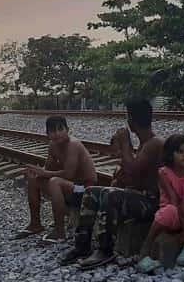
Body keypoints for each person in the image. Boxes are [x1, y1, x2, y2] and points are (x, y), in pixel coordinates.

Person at [60, 98, 164, 269]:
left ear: (131, 121)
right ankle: (82, 244)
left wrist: (124, 143)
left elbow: (133, 170)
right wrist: (121, 177)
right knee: (91, 191)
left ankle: (105, 249)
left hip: (152, 204)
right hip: (140, 197)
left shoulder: (155, 143)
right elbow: (135, 178)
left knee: (111, 195)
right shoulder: (145, 144)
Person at [13, 116, 97, 243]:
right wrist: (35, 173)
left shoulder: (73, 145)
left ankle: (60, 232)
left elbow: (68, 174)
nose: (57, 133)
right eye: (52, 130)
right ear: (47, 134)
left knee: (54, 182)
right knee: (33, 179)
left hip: (86, 189)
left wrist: (44, 172)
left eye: (60, 129)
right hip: (71, 186)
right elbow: (48, 168)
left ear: (67, 130)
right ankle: (35, 224)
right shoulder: (53, 146)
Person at [136, 134, 184, 273]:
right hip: (174, 215)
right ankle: (144, 251)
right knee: (167, 211)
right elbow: (174, 202)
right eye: (180, 152)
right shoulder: (164, 173)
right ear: (170, 154)